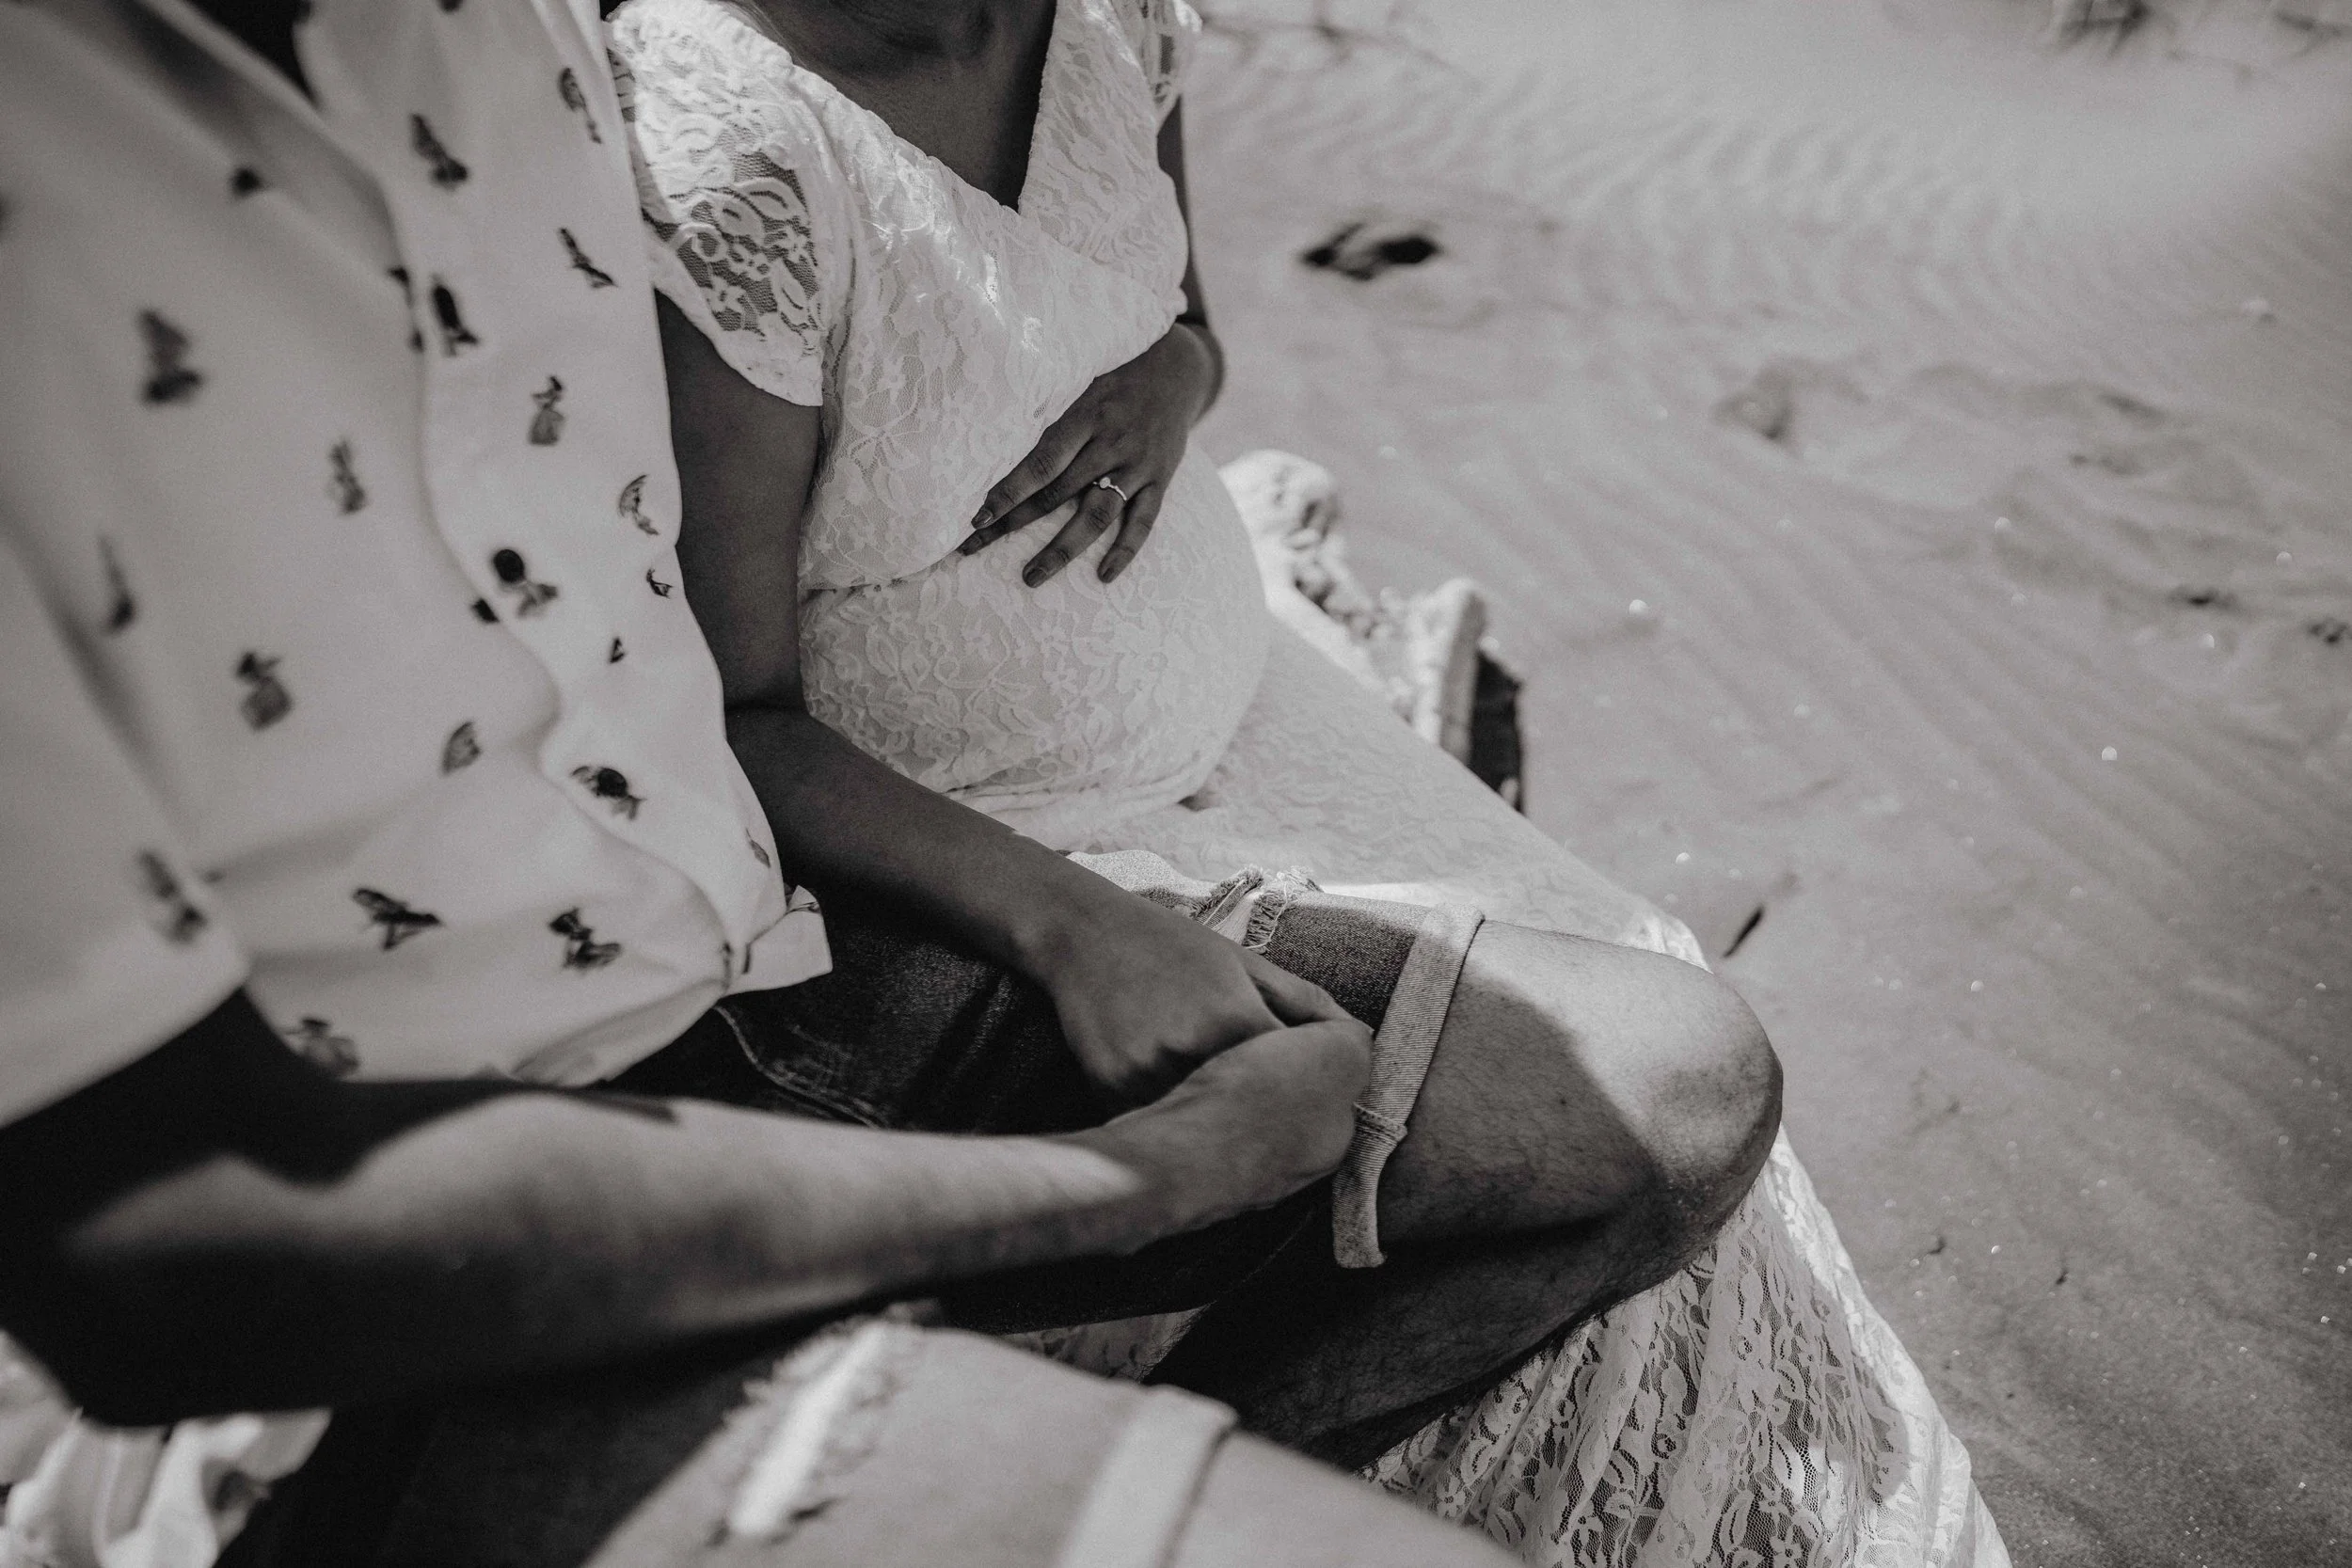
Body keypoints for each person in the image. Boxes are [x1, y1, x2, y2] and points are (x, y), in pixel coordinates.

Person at [0, 2, 1765, 1565]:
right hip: (412, 1296)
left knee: (1675, 1091)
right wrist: (1148, 1178)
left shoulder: (512, 39)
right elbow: (175, 1252)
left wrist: (1079, 938)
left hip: (777, 970)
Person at [611, 1, 2009, 1561]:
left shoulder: (1110, 18)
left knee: (1648, 973)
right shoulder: (730, 146)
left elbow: (1192, 321)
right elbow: (729, 713)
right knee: (1672, 1081)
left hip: (1240, 695)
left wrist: (1175, 380)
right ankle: (1148, 1506)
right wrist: (1078, 929)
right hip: (990, 834)